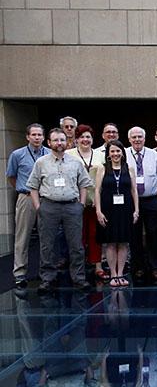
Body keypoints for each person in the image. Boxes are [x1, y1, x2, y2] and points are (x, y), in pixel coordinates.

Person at [27, 128, 93, 291]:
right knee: (47, 244)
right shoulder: (41, 162)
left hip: (72, 206)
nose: (59, 143)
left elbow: (84, 183)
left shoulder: (75, 162)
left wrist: (81, 204)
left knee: (76, 244)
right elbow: (33, 186)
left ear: (67, 142)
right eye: (55, 140)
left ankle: (78, 277)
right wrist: (38, 207)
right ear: (49, 143)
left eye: (62, 140)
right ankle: (48, 278)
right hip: (49, 206)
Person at [6, 123, 50, 288]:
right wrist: (23, 190)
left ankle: (45, 272)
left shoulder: (49, 154)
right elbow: (11, 176)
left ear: (44, 137)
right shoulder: (17, 155)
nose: (37, 138)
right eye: (34, 135)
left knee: (46, 237)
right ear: (27, 137)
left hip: (46, 198)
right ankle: (20, 272)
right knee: (22, 236)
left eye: (40, 135)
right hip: (26, 198)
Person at [95, 140, 139, 287]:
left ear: (122, 152)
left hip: (125, 209)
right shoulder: (102, 169)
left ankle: (120, 274)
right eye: (112, 151)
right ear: (108, 154)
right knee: (111, 242)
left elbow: (134, 190)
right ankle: (113, 274)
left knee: (123, 242)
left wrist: (136, 210)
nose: (115, 154)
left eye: (118, 151)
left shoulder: (129, 168)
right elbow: (97, 190)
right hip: (108, 209)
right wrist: (98, 211)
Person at [65, 125, 106, 280]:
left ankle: (97, 265)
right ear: (76, 139)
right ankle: (78, 267)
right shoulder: (69, 155)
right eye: (82, 137)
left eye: (88, 137)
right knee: (77, 236)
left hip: (95, 201)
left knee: (95, 235)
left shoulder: (99, 155)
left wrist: (100, 200)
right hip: (75, 201)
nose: (85, 140)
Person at [125, 126, 157, 280]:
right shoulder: (124, 154)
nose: (137, 139)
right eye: (134, 137)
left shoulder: (154, 155)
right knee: (134, 235)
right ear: (129, 139)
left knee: (154, 234)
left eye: (140, 136)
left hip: (151, 200)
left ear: (145, 138)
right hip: (130, 201)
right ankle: (138, 266)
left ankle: (155, 266)